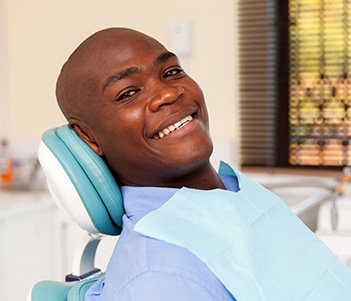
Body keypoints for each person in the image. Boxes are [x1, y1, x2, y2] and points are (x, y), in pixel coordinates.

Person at [56, 28, 351, 301]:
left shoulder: (235, 192)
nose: (169, 93)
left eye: (171, 72)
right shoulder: (161, 275)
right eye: (128, 93)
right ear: (88, 136)